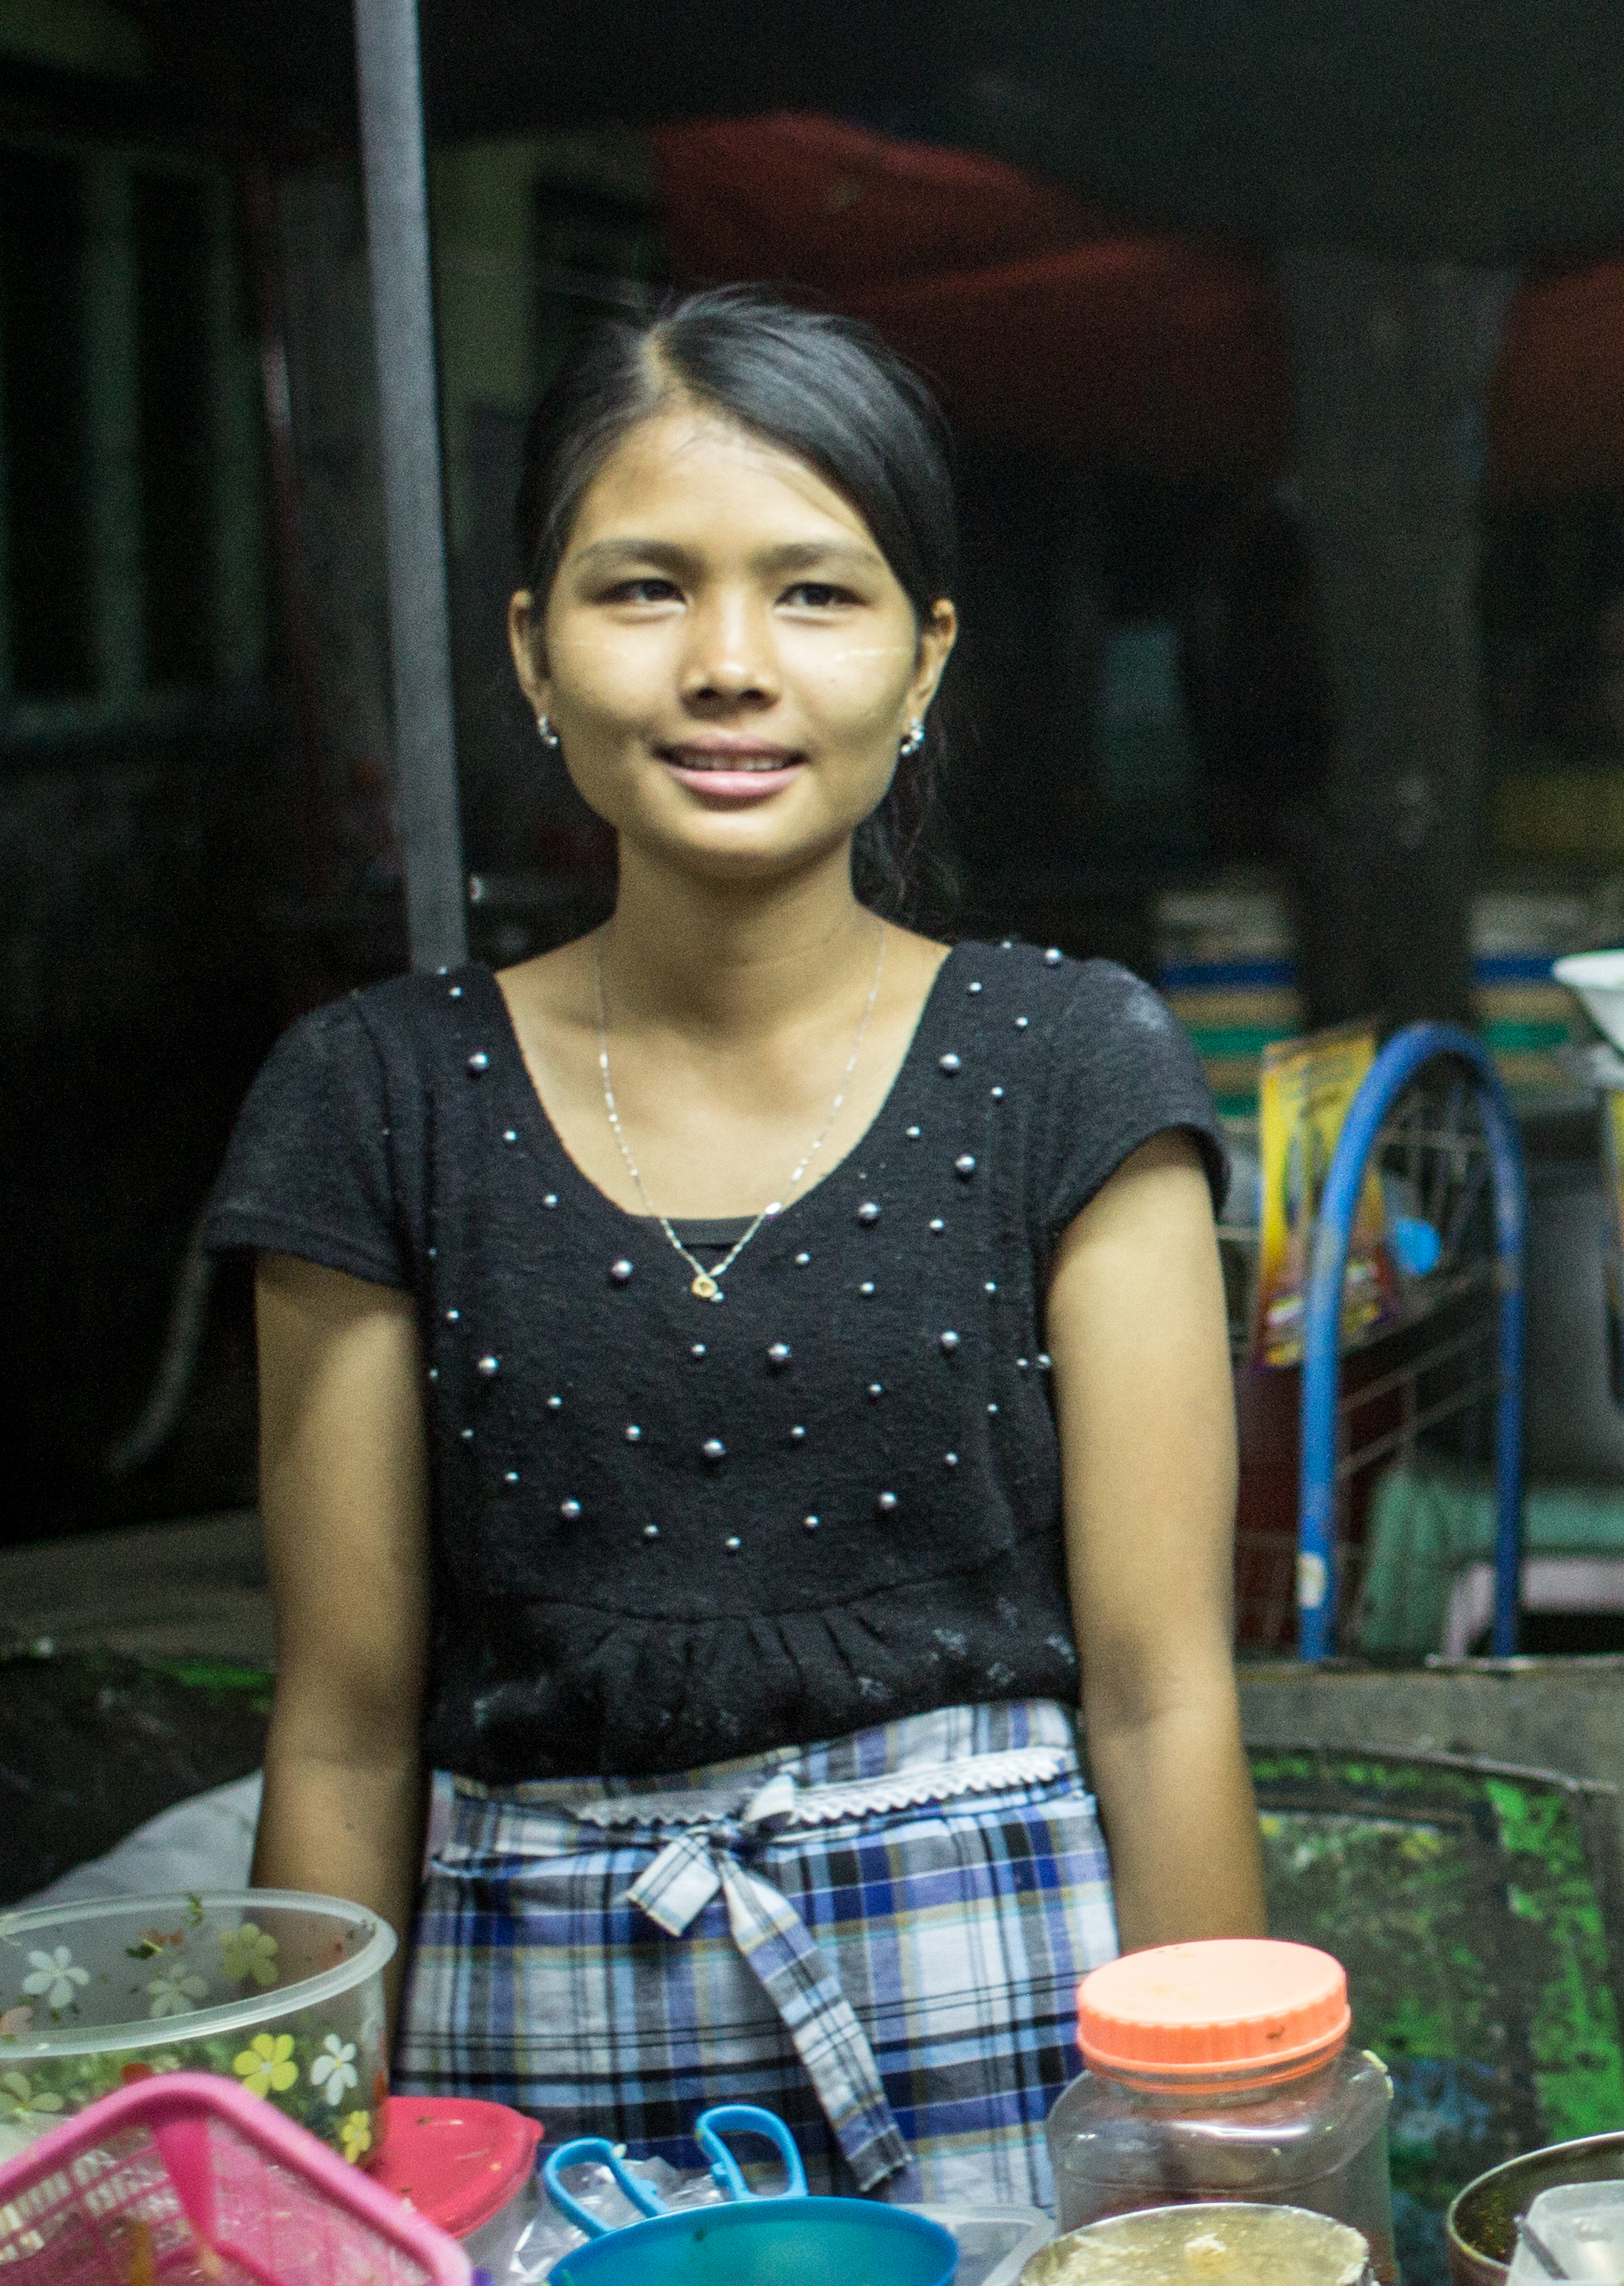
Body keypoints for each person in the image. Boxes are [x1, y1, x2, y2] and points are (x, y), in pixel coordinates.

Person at [205, 288, 1263, 2203]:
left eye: (815, 591)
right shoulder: (373, 1102)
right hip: (516, 2045)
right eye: (640, 589)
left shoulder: (1068, 1066)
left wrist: (1210, 2190)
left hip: (1009, 2011)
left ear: (926, 655)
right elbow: (346, 1733)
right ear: (532, 649)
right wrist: (306, 2195)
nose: (728, 663)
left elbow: (1162, 1687)